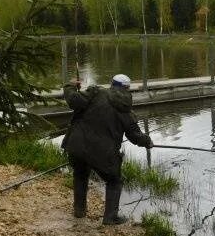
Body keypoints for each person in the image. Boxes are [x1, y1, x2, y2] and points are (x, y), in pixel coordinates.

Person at [61, 74, 153, 225]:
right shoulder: (125, 109)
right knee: (114, 181)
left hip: (77, 145)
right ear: (127, 89)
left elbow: (73, 100)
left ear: (112, 84)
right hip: (103, 154)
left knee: (80, 174)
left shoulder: (95, 92)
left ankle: (79, 210)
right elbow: (135, 135)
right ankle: (110, 217)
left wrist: (70, 86)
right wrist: (148, 142)